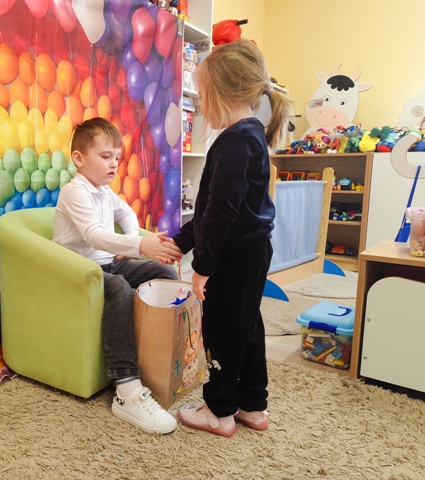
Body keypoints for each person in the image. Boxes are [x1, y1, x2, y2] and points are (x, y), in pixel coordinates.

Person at [171, 39, 293, 437]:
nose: (201, 105)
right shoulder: (251, 134)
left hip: (232, 256)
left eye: (203, 94)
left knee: (222, 330)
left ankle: (219, 410)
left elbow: (220, 213)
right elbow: (214, 209)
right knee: (246, 326)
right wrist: (181, 241)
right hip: (251, 251)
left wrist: (202, 267)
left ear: (222, 93)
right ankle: (252, 405)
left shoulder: (235, 141)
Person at [53, 117, 183, 434]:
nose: (114, 164)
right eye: (105, 156)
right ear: (79, 158)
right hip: (77, 271)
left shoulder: (104, 192)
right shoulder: (74, 192)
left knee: (164, 272)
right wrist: (139, 245)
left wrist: (132, 242)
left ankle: (163, 354)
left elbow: (127, 214)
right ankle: (126, 387)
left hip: (108, 264)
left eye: (116, 157)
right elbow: (93, 235)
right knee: (119, 287)